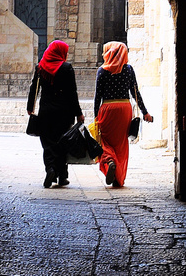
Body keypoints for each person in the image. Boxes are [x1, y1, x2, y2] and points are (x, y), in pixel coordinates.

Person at [27, 40, 85, 188]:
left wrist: (30, 107)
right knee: (62, 142)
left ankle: (50, 169)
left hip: (46, 110)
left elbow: (34, 88)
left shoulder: (41, 67)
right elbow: (72, 93)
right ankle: (62, 177)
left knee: (48, 143)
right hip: (64, 112)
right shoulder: (66, 68)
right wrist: (78, 113)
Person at [94, 41, 152, 187]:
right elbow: (135, 93)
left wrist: (96, 117)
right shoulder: (128, 69)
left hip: (107, 109)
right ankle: (118, 179)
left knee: (105, 141)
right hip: (124, 108)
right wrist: (145, 112)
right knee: (120, 145)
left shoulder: (102, 71)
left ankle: (109, 163)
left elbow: (97, 97)